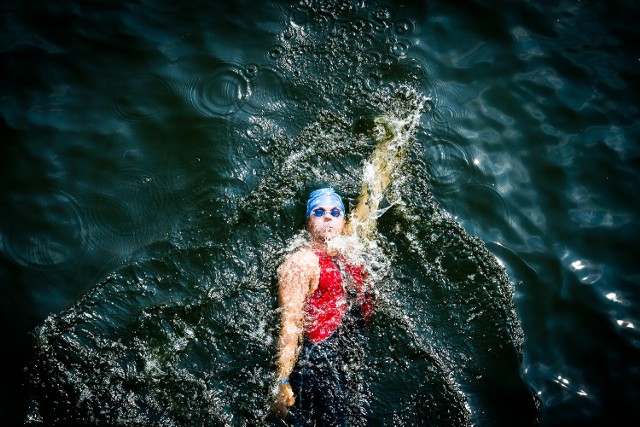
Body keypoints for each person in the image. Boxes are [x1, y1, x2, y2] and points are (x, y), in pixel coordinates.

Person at [272, 187, 375, 426]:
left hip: (350, 354)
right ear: (308, 221)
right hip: (318, 361)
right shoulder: (301, 262)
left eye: (335, 212)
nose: (328, 216)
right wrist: (281, 380)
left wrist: (387, 154)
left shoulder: (352, 248)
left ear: (343, 221)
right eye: (319, 212)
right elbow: (290, 323)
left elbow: (370, 200)